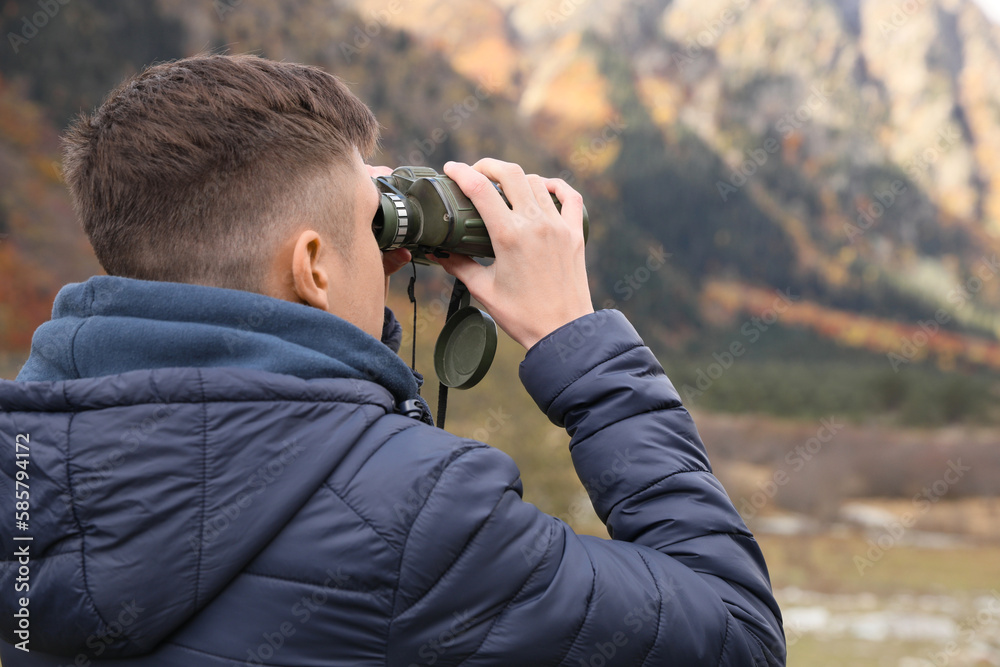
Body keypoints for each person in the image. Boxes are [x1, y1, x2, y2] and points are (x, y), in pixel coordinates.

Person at [0, 54, 785, 666]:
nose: (389, 257)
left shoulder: (22, 466)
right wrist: (576, 341)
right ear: (310, 266)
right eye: (370, 233)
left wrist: (342, 228)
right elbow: (736, 636)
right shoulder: (418, 520)